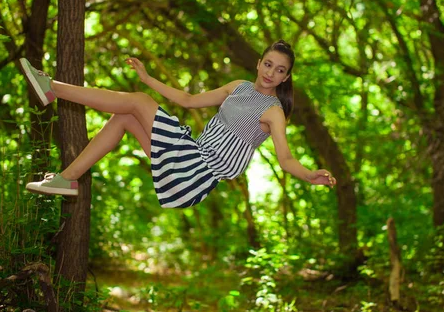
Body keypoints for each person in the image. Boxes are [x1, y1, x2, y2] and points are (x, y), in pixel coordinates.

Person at [20, 40, 336, 208]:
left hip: (197, 173)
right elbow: (186, 100)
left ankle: (53, 89)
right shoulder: (237, 86)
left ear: (286, 77)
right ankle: (67, 179)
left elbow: (286, 159)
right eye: (268, 64)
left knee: (138, 102)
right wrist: (147, 78)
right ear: (258, 63)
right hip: (188, 158)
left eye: (279, 70)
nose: (271, 73)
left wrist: (310, 175)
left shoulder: (273, 111)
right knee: (125, 117)